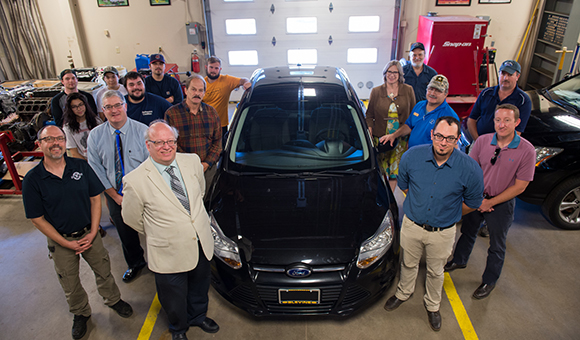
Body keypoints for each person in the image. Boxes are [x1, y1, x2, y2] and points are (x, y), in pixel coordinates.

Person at [22, 125, 133, 340]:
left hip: (89, 234)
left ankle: (113, 299)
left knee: (103, 270)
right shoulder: (33, 180)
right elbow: (37, 219)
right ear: (39, 144)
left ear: (65, 142)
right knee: (70, 282)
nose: (55, 143)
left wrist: (93, 232)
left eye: (59, 138)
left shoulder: (80, 167)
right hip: (61, 241)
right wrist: (64, 243)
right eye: (48, 139)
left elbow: (95, 198)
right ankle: (81, 313)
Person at [383, 116, 484, 332]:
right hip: (412, 225)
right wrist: (420, 207)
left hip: (443, 232)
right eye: (439, 136)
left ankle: (432, 305)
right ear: (432, 135)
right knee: (408, 263)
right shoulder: (412, 157)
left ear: (458, 139)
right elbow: (405, 186)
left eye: (450, 138)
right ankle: (403, 292)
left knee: (436, 271)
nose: (443, 142)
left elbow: (473, 203)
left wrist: (450, 214)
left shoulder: (470, 168)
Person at [122, 121, 218, 340]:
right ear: (148, 145)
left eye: (170, 141)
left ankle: (198, 316)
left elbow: (199, 194)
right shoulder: (135, 180)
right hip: (167, 249)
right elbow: (131, 219)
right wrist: (161, 231)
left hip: (199, 241)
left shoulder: (192, 161)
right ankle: (178, 328)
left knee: (200, 285)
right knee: (173, 295)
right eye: (159, 142)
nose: (166, 147)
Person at [445, 104, 535, 299]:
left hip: (502, 202)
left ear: (517, 123)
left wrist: (491, 202)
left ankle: (489, 280)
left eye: (507, 120)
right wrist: (473, 198)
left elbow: (520, 186)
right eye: (497, 120)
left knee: (496, 244)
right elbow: (470, 171)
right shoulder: (483, 142)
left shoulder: (526, 150)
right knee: (468, 231)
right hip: (477, 197)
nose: (501, 125)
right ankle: (459, 260)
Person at [87, 90, 149, 283]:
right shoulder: (95, 136)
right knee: (126, 233)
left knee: (154, 229)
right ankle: (135, 263)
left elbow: (152, 166)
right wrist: (114, 196)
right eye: (108, 107)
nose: (114, 110)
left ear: (125, 106)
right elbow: (96, 170)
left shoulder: (144, 131)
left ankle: (160, 263)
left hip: (144, 193)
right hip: (114, 194)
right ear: (102, 111)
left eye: (117, 105)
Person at [165, 75, 222, 189]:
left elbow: (218, 142)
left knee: (207, 201)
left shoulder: (211, 113)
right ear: (185, 90)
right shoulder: (172, 114)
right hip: (183, 169)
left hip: (208, 170)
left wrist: (206, 164)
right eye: (193, 89)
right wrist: (189, 163)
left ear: (204, 93)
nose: (197, 93)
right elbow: (169, 143)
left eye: (201, 90)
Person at [366, 60, 416, 191]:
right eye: (389, 72)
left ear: (400, 74)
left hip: (400, 139)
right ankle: (382, 193)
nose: (392, 75)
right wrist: (370, 132)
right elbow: (369, 115)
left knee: (395, 172)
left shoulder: (408, 90)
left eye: (395, 72)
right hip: (381, 138)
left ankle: (391, 196)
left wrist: (410, 138)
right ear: (385, 73)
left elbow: (412, 115)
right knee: (381, 169)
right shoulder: (376, 91)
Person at [383, 74, 459, 150]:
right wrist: (393, 135)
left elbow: (451, 145)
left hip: (430, 159)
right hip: (412, 154)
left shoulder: (449, 116)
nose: (432, 93)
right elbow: (409, 126)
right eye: (430, 89)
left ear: (446, 94)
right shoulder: (419, 105)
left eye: (438, 91)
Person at [467, 60, 532, 141]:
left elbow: (518, 131)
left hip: (502, 148)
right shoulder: (486, 93)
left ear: (517, 76)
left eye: (510, 75)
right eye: (503, 74)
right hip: (479, 141)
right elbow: (471, 119)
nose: (505, 78)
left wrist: (499, 147)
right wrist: (477, 141)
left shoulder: (523, 100)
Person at [203, 56, 250, 143]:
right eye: (211, 67)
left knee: (221, 148)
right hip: (204, 124)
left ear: (220, 69)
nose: (213, 70)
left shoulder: (226, 80)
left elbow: (243, 80)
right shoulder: (202, 83)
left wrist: (246, 83)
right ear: (206, 67)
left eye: (216, 68)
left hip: (221, 124)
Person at [63, 92, 103, 160]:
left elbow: (104, 144)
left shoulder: (97, 121)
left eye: (81, 105)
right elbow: (74, 153)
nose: (79, 109)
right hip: (82, 163)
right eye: (74, 107)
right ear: (70, 109)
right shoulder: (67, 128)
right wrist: (88, 164)